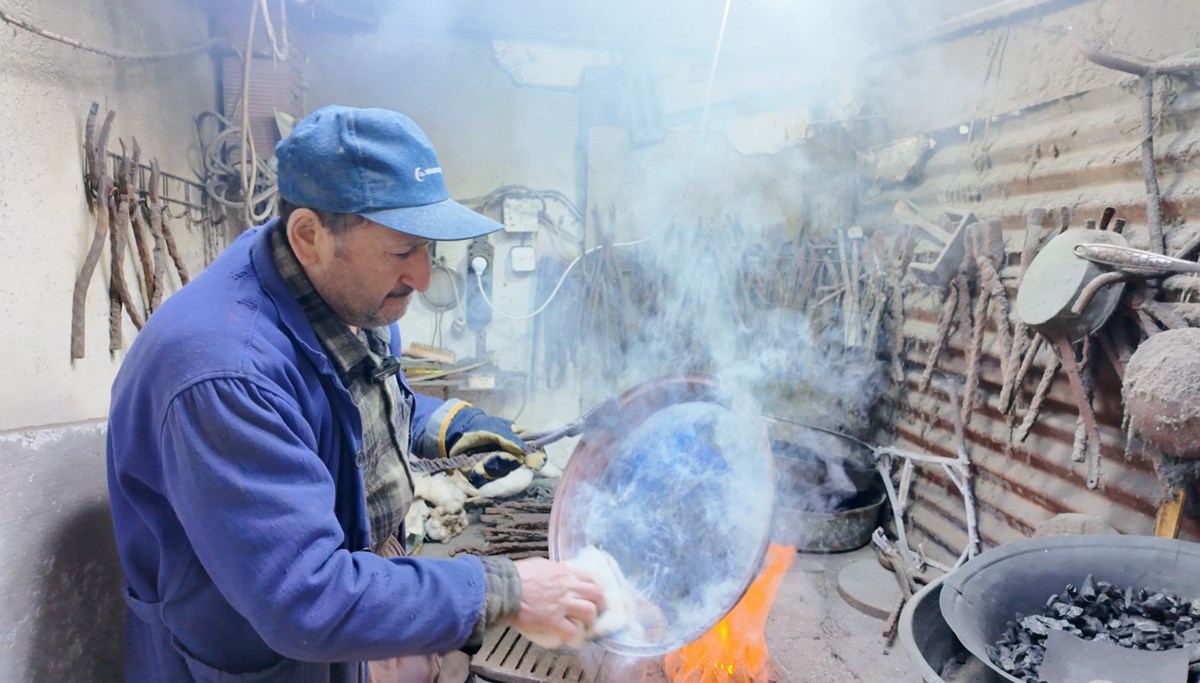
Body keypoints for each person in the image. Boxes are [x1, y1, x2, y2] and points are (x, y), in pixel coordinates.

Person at [106, 105, 606, 683]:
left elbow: (356, 403)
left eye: (428, 249)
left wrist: (447, 422)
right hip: (254, 655)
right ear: (309, 235)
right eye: (401, 251)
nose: (422, 277)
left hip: (338, 629)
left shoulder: (344, 295)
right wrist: (503, 588)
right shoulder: (223, 376)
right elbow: (305, 600)